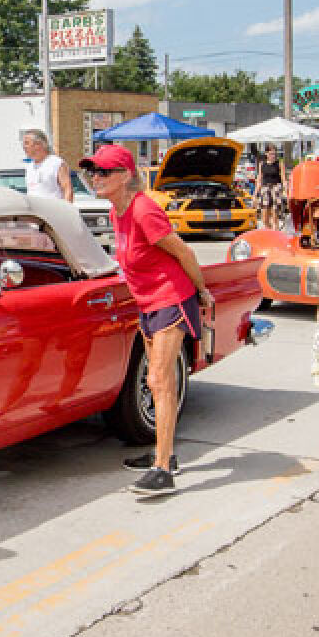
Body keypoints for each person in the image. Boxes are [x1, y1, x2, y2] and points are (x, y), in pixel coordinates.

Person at [80, 144, 215, 497]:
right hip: (148, 302)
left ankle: (162, 469)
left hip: (171, 297)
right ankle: (163, 454)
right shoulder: (116, 211)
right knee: (159, 379)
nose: (96, 177)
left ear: (125, 176)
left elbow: (183, 251)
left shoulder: (143, 210)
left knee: (159, 380)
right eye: (93, 171)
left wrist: (201, 291)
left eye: (104, 172)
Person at [22, 129, 73, 201]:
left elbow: (67, 189)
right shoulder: (30, 166)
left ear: (38, 144)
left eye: (27, 143)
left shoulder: (56, 163)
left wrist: (66, 210)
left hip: (52, 210)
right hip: (34, 211)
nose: (24, 147)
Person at [252, 145, 287, 230]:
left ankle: (276, 232)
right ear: (266, 153)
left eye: (274, 154)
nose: (273, 156)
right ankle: (270, 231)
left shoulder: (279, 163)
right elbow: (259, 179)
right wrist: (255, 194)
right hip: (265, 189)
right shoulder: (262, 164)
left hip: (276, 189)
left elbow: (283, 178)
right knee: (264, 217)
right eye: (271, 154)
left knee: (275, 215)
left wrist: (286, 190)